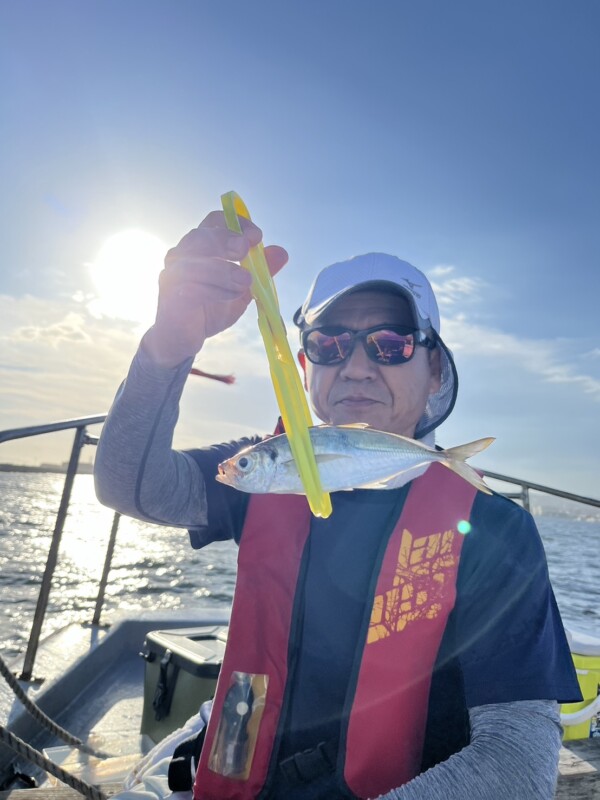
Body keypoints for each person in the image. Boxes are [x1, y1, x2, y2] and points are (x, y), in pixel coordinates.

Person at [95, 210, 582, 800]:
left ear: (434, 371)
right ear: (303, 367)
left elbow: (520, 760)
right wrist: (167, 348)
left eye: (390, 343)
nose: (355, 366)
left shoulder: (493, 529)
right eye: (328, 344)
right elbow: (130, 484)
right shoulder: (268, 468)